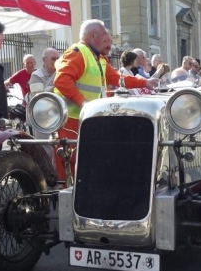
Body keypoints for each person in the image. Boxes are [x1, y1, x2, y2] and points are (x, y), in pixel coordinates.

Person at [52, 19, 157, 182]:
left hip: (87, 120)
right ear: (93, 36)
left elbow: (116, 78)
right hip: (71, 120)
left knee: (85, 162)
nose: (107, 39)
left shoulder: (98, 58)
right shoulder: (78, 52)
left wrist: (144, 82)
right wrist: (84, 103)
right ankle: (64, 199)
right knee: (70, 163)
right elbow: (61, 80)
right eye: (104, 36)